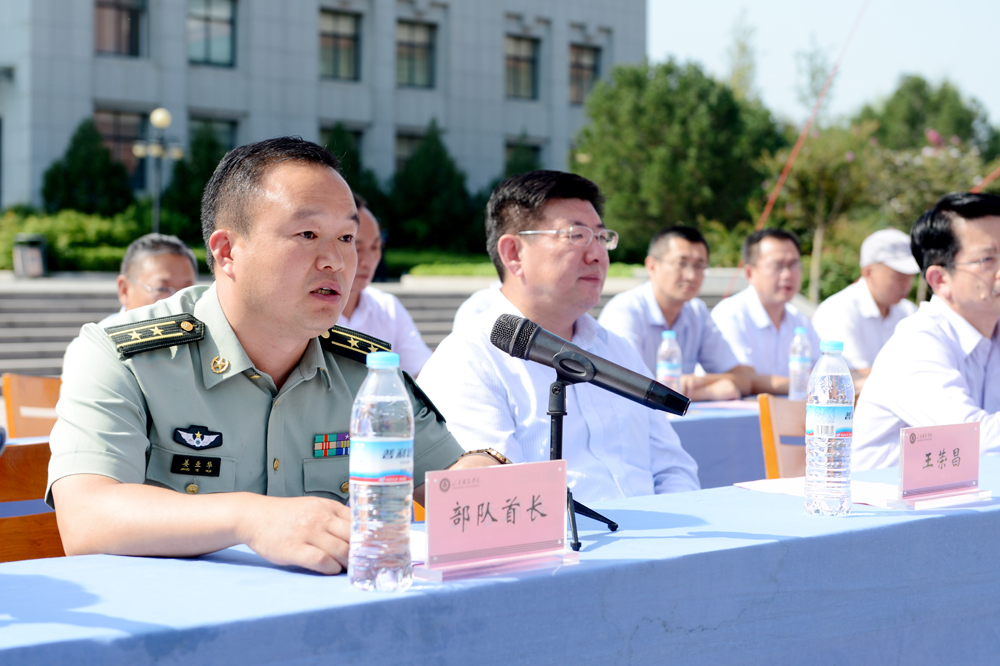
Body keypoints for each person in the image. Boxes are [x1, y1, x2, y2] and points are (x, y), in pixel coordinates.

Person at [46, 137, 497, 575]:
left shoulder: (365, 372)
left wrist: (484, 474)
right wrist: (249, 518)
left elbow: (452, 483)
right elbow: (86, 518)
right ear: (227, 252)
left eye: (346, 237)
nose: (337, 261)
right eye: (307, 234)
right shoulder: (123, 356)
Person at [418, 171, 700, 503]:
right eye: (576, 236)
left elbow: (673, 468)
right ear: (514, 253)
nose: (597, 255)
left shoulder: (617, 349)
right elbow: (499, 500)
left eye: (601, 237)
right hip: (565, 536)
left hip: (665, 529)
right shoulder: (468, 359)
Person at [853, 192, 1000, 470]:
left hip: (964, 493)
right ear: (940, 279)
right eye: (988, 259)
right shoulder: (916, 343)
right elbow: (970, 442)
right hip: (885, 497)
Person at [598, 226, 752, 401]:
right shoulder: (625, 311)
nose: (691, 275)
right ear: (652, 266)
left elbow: (742, 380)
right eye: (681, 263)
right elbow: (626, 386)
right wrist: (707, 392)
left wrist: (696, 381)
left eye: (699, 265)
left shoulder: (697, 312)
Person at [710, 229, 821, 395]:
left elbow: (822, 370)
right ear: (750, 273)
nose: (787, 275)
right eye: (777, 265)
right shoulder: (730, 314)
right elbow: (744, 379)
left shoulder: (799, 319)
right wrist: (807, 385)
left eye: (793, 264)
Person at [337, 193, 432, 376]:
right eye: (357, 247)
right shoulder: (305, 312)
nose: (368, 261)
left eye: (375, 247)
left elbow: (422, 374)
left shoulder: (387, 308)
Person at [811, 228, 918, 390]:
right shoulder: (838, 310)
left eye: (910, 277)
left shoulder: (908, 311)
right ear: (868, 272)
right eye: (899, 277)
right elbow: (853, 375)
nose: (907, 285)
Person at [102, 233, 199, 325]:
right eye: (162, 289)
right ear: (125, 290)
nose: (179, 302)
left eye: (187, 290)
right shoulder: (102, 336)